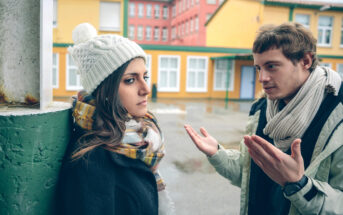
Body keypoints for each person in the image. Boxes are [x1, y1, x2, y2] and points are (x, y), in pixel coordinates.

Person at [185, 22, 343, 215]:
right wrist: (217, 153)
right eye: (259, 68)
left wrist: (299, 185)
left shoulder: (336, 116)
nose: (262, 77)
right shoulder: (262, 109)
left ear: (306, 61)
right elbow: (249, 174)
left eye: (272, 66)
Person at [56, 23, 174, 215]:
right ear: (105, 90)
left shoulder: (140, 139)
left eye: (145, 76)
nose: (146, 89)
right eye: (130, 80)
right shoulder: (90, 161)